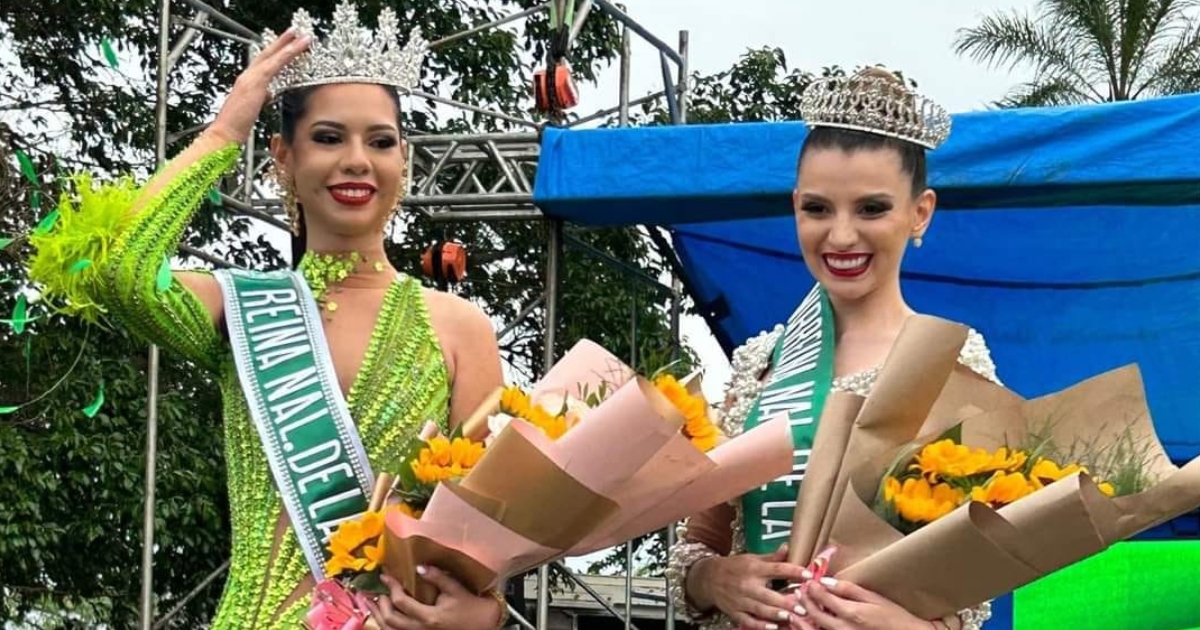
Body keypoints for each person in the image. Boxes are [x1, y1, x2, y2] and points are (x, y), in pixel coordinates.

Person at [29, 4, 506, 629]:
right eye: (329, 138)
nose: (358, 160)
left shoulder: (459, 327)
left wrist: (484, 616)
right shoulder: (242, 306)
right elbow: (122, 271)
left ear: (404, 159)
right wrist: (225, 130)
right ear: (283, 155)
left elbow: (489, 534)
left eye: (381, 141)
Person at [666, 68, 998, 630]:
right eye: (818, 209)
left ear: (921, 213)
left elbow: (969, 586)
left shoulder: (953, 360)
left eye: (871, 209)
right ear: (794, 206)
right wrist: (714, 580)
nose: (841, 236)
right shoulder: (762, 361)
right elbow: (697, 545)